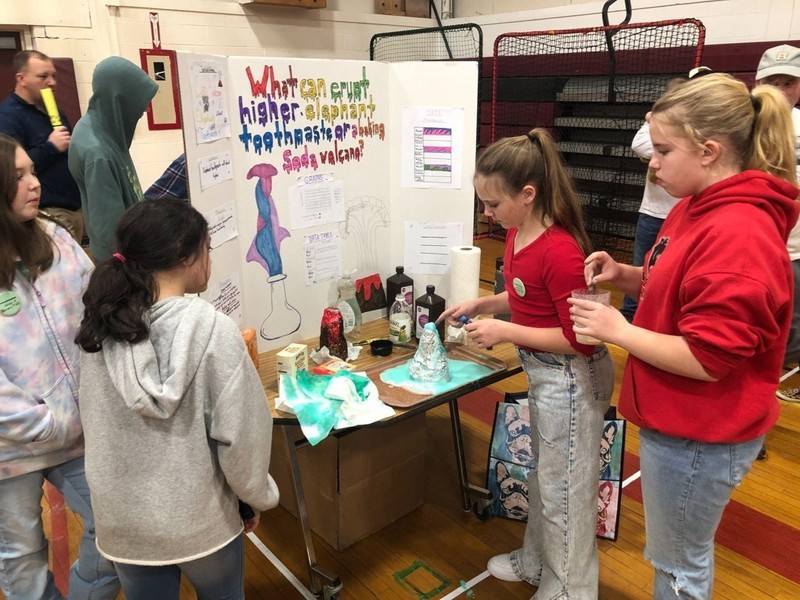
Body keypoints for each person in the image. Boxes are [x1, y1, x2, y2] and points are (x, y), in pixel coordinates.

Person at [571, 73, 799, 600]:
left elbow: (708, 356)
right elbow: (674, 286)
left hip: (703, 432)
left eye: (664, 150)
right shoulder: (692, 204)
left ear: (709, 151)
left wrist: (619, 331)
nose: (652, 162)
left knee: (678, 565)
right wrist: (625, 274)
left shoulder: (740, 233)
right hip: (681, 421)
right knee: (677, 555)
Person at [438, 128, 615, 598]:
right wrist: (483, 306)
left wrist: (506, 331)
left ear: (528, 194)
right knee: (545, 478)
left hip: (571, 379)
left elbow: (579, 339)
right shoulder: (518, 234)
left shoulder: (560, 250)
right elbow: (522, 295)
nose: (486, 213)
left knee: (567, 494)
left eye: (493, 204)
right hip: (546, 376)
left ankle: (571, 589)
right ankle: (538, 563)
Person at [74, 197, 277, 599]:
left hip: (124, 525)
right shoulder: (213, 330)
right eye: (208, 249)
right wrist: (254, 499)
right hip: (200, 522)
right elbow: (242, 439)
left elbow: (95, 427)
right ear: (186, 254)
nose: (211, 259)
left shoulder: (99, 327)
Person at [0, 133, 119, 599]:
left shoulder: (56, 237)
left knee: (114, 528)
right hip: (11, 447)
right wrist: (45, 422)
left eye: (33, 171)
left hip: (79, 430)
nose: (35, 184)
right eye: (19, 176)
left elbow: (96, 308)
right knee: (20, 553)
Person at [68, 56, 157, 262]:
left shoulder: (103, 127)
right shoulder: (97, 153)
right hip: (122, 261)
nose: (146, 109)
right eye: (140, 103)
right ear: (120, 100)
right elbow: (109, 229)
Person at [620, 77, 686, 322]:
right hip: (653, 213)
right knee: (645, 265)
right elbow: (639, 145)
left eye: (665, 152)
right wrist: (618, 272)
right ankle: (631, 315)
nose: (654, 163)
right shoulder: (655, 121)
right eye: (656, 151)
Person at [0, 50, 84, 242]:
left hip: (73, 206)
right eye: (43, 76)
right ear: (21, 79)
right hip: (46, 212)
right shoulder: (8, 117)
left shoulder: (53, 110)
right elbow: (10, 170)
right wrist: (51, 146)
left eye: (54, 75)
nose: (52, 82)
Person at [755, 44, 800, 402]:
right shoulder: (741, 123)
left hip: (794, 248)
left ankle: (760, 399)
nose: (781, 91)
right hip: (751, 244)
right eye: (772, 81)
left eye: (789, 82)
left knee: (786, 327)